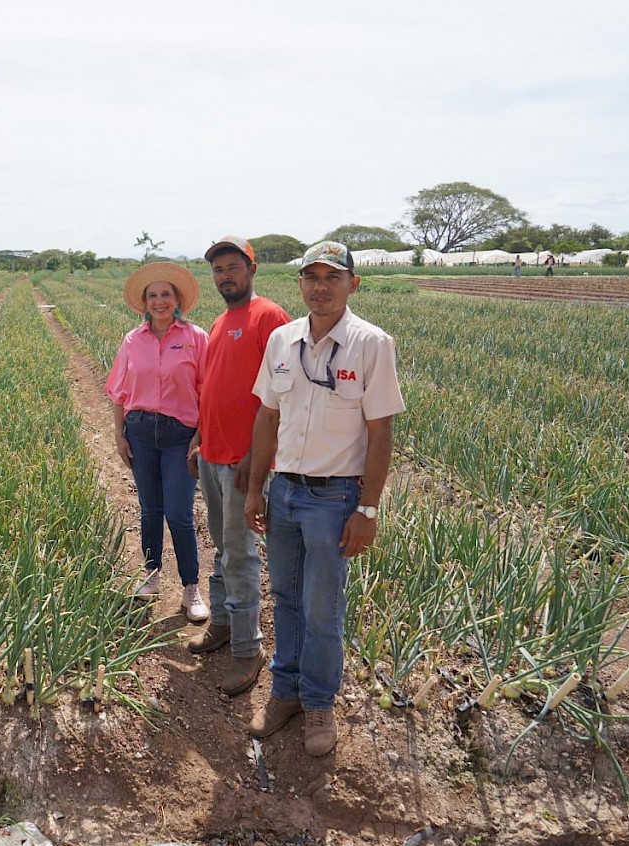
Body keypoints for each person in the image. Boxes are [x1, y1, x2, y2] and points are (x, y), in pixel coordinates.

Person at [243, 240, 405, 756]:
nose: (320, 287)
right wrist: (255, 488)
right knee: (286, 599)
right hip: (285, 491)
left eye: (332, 278)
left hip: (334, 500)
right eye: (311, 278)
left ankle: (318, 702)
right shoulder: (282, 341)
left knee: (322, 608)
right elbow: (267, 416)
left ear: (352, 284)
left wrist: (368, 508)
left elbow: (380, 433)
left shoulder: (372, 343)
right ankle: (285, 691)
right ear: (300, 285)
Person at [186, 236, 291, 696]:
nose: (224, 276)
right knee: (221, 544)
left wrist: (257, 456)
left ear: (252, 269)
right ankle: (223, 625)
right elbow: (212, 386)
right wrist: (199, 438)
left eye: (233, 267)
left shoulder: (269, 317)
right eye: (217, 270)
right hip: (212, 455)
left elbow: (285, 395)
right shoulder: (219, 321)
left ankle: (248, 650)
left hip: (242, 460)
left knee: (240, 552)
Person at [105, 262, 210, 622]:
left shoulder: (196, 337)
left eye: (166, 294)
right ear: (145, 303)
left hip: (181, 435)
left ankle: (191, 587)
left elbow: (207, 392)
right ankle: (151, 575)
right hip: (140, 431)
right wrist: (119, 434)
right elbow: (118, 392)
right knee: (150, 509)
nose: (160, 301)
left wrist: (200, 436)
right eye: (153, 295)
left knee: (179, 513)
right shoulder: (133, 340)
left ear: (177, 299)